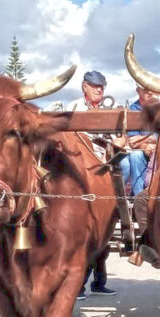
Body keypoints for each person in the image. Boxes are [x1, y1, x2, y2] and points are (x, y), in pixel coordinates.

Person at [68, 71, 116, 299]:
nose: (100, 90)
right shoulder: (73, 107)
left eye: (102, 87)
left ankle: (98, 282)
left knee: (106, 219)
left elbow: (116, 138)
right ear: (84, 86)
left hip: (104, 160)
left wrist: (119, 142)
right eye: (96, 86)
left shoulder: (109, 109)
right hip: (78, 160)